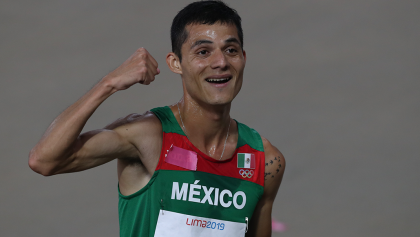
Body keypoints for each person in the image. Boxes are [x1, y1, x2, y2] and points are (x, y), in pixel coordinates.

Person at [29, 1, 285, 236]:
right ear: (176, 63)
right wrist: (107, 84)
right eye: (203, 52)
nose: (220, 62)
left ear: (243, 58)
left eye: (231, 50)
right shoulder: (149, 136)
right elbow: (44, 160)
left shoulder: (265, 162)